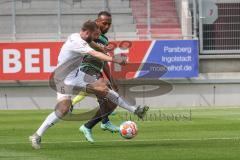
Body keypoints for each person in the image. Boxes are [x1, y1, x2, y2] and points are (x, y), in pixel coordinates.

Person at [29, 20, 149, 149]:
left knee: (104, 89)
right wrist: (115, 59)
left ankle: (136, 110)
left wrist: (104, 49)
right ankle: (37, 135)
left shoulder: (80, 37)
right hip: (62, 80)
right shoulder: (77, 42)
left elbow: (93, 45)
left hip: (77, 74)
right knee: (64, 109)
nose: (98, 37)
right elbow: (94, 53)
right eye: (96, 34)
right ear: (87, 32)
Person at [71, 11, 120, 143]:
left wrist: (112, 80)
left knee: (111, 100)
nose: (107, 26)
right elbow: (87, 44)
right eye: (104, 23)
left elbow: (104, 62)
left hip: (96, 70)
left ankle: (90, 125)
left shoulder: (105, 39)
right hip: (86, 68)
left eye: (109, 24)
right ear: (97, 22)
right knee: (106, 96)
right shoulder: (92, 35)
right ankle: (104, 122)